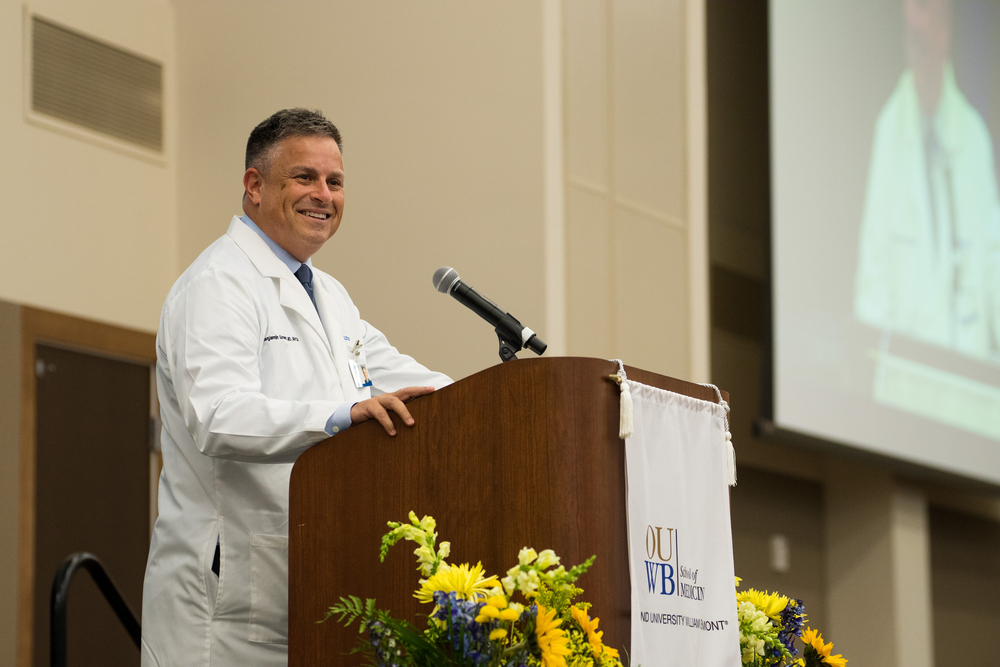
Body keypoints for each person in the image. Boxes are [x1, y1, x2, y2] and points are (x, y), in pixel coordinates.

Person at [140, 108, 451, 666]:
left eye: (334, 181)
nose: (323, 194)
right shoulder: (217, 284)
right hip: (224, 604)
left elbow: (408, 380)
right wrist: (339, 415)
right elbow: (218, 415)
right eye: (304, 177)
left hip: (305, 583)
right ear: (254, 186)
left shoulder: (329, 295)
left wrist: (513, 400)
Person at [854, 0, 1000, 358]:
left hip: (968, 380)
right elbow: (874, 273)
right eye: (908, 14)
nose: (912, 19)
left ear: (945, 29)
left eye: (922, 9)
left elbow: (993, 269)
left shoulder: (973, 138)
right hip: (907, 379)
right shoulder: (890, 129)